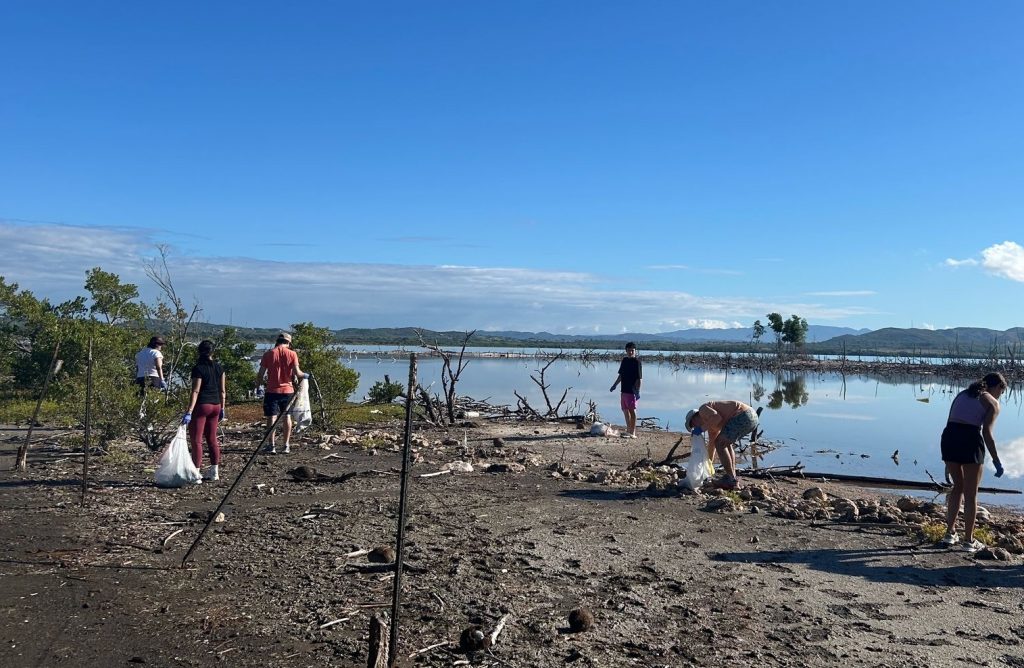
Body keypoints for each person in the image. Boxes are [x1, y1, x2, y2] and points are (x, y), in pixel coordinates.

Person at [939, 372, 1006, 552]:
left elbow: (950, 421)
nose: (1001, 395)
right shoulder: (992, 402)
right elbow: (987, 434)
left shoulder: (961, 394)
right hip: (970, 441)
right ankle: (969, 541)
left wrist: (948, 461)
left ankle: (949, 534)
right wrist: (997, 460)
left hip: (949, 438)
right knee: (971, 494)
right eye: (1002, 390)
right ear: (998, 386)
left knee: (957, 488)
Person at [685, 400, 759, 490]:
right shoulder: (711, 426)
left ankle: (730, 479)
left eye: (693, 424)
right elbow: (712, 445)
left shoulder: (703, 409)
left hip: (743, 415)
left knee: (720, 443)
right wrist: (708, 465)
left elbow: (717, 418)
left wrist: (701, 429)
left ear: (695, 417)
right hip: (751, 418)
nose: (695, 427)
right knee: (725, 443)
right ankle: (732, 477)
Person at [255, 332, 307, 454]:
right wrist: (306, 376)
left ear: (278, 341)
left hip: (272, 390)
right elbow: (298, 373)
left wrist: (258, 386)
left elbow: (260, 374)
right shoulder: (292, 354)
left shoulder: (268, 354)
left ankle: (271, 445)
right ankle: (286, 445)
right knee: (287, 416)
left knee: (271, 417)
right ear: (288, 342)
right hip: (288, 390)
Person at [182, 340, 226, 481]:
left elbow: (195, 391)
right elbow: (222, 391)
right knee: (212, 439)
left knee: (197, 440)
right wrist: (223, 408)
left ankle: (196, 474)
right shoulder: (219, 368)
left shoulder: (198, 368)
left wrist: (189, 411)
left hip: (202, 405)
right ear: (213, 352)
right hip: (216, 405)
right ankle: (214, 472)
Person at [609, 342, 642, 438]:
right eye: (629, 350)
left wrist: (638, 391)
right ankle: (628, 430)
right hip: (623, 390)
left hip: (632, 391)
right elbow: (621, 375)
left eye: (632, 350)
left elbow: (639, 379)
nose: (631, 352)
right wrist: (614, 385)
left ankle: (633, 432)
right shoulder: (624, 360)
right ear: (626, 351)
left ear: (635, 351)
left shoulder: (637, 362)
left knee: (632, 411)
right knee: (625, 410)